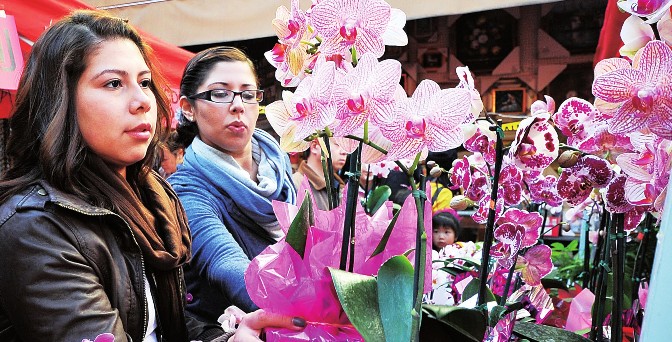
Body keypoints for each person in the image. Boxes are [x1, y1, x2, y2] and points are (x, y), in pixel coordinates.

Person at [0, 10, 303, 341]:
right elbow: (222, 263)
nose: (142, 101)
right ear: (61, 99)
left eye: (144, 82)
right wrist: (303, 307)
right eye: (114, 83)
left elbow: (167, 325)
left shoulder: (154, 198)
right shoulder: (35, 226)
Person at [168, 46, 297, 323]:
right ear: (189, 108)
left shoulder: (281, 166)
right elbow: (226, 264)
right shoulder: (186, 189)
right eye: (220, 93)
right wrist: (305, 309)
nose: (238, 105)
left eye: (248, 94)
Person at [292, 138, 347, 210]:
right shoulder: (295, 185)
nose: (344, 152)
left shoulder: (341, 188)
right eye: (337, 144)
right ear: (315, 146)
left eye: (345, 146)